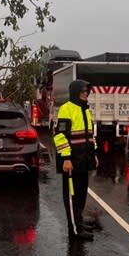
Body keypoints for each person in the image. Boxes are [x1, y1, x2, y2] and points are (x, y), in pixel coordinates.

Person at [53, 79, 99, 241]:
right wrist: (66, 158)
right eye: (83, 91)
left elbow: (90, 136)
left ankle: (78, 222)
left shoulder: (86, 110)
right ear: (76, 92)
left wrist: (94, 154)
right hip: (71, 161)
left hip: (84, 160)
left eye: (87, 91)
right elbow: (60, 136)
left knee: (81, 195)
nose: (86, 94)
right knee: (72, 197)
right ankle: (75, 230)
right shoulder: (66, 109)